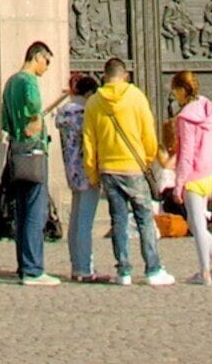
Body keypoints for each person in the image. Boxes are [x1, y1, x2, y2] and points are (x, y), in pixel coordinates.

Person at [80, 55, 170, 286]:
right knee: (144, 218)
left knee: (118, 220)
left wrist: (92, 172)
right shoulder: (136, 97)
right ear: (125, 76)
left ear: (104, 76)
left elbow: (88, 142)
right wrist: (148, 159)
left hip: (108, 168)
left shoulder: (93, 103)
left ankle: (124, 271)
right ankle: (153, 268)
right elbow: (148, 134)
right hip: (133, 165)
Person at [0, 39, 57, 285]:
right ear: (36, 57)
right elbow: (34, 104)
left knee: (21, 209)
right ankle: (34, 269)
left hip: (15, 149)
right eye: (46, 62)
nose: (46, 68)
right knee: (35, 209)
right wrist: (35, 117)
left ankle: (24, 265)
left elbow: (4, 121)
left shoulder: (11, 82)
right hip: (33, 150)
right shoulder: (28, 81)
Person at [163, 71, 212, 283]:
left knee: (197, 226)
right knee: (198, 222)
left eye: (175, 91)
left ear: (183, 90)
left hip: (193, 175)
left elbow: (187, 154)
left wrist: (178, 185)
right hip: (210, 171)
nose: (175, 96)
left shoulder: (185, 117)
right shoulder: (207, 107)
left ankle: (204, 272)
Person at [49, 70, 101, 280]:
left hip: (72, 173)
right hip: (87, 172)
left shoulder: (65, 115)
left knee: (76, 219)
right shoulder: (84, 116)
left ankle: (76, 264)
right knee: (85, 222)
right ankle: (84, 267)